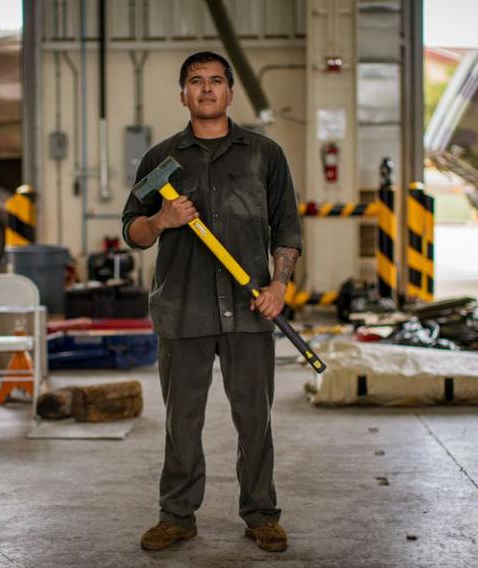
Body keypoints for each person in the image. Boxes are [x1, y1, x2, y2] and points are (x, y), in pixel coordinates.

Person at [121, 51, 302, 553]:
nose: (206, 89)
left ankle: (261, 514)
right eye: (196, 82)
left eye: (216, 81)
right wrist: (161, 221)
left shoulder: (265, 155)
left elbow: (286, 227)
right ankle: (177, 516)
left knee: (255, 419)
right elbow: (132, 231)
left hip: (249, 311)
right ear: (182, 94)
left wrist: (279, 286)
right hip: (183, 310)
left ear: (230, 91)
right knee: (182, 422)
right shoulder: (160, 159)